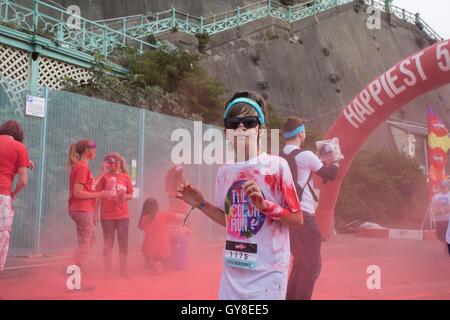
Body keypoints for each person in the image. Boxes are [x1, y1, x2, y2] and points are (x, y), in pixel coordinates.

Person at [176, 91, 303, 300]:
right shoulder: (225, 172)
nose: (241, 127)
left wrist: (265, 207)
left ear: (260, 130)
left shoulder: (277, 166)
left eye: (249, 122)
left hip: (268, 273)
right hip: (233, 271)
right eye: (233, 123)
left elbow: (297, 218)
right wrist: (200, 203)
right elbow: (230, 221)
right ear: (227, 132)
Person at [280, 116, 339, 300]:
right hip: (305, 217)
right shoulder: (306, 156)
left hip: (288, 217)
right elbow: (330, 173)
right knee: (311, 267)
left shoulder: (279, 156)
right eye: (304, 131)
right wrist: (335, 158)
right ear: (300, 134)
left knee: (299, 263)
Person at [66, 139, 113, 285]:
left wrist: (102, 173)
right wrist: (100, 194)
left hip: (81, 209)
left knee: (88, 241)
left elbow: (89, 186)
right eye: (94, 148)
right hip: (82, 209)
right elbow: (78, 193)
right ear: (87, 150)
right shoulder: (82, 168)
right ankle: (71, 272)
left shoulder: (82, 167)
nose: (96, 150)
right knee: (85, 243)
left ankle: (74, 276)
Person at [95, 153, 134, 278]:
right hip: (107, 216)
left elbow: (131, 195)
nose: (111, 165)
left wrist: (121, 197)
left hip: (122, 215)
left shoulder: (126, 177)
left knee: (123, 243)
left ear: (118, 162)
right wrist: (94, 213)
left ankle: (123, 270)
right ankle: (108, 272)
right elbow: (98, 196)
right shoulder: (105, 177)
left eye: (112, 162)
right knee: (108, 243)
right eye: (108, 162)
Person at [0, 120, 30, 272]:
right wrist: (13, 193)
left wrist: (23, 165)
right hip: (2, 196)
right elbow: (23, 181)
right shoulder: (19, 147)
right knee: (2, 237)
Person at [138, 198, 184, 274]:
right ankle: (158, 262)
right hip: (163, 245)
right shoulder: (162, 214)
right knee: (159, 253)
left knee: (145, 247)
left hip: (150, 246)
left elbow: (140, 227)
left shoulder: (145, 218)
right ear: (156, 206)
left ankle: (149, 263)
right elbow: (181, 216)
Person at [430, 180, 450, 253]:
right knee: (439, 235)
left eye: (444, 186)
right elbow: (433, 207)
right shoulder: (436, 196)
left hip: (448, 219)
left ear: (448, 187)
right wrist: (438, 211)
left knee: (447, 234)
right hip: (439, 219)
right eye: (441, 186)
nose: (442, 188)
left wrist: (445, 210)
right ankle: (446, 244)